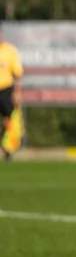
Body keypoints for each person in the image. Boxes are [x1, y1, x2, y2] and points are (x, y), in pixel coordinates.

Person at [0, 28, 22, 162]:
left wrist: (17, 92)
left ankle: (7, 148)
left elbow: (17, 74)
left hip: (5, 89)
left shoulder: (9, 51)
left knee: (8, 120)